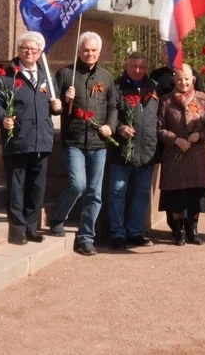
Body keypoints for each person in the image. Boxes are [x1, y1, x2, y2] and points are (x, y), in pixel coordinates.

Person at [0, 31, 62, 245]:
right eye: (25, 48)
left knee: (37, 188)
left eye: (33, 49)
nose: (29, 52)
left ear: (40, 53)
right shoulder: (6, 76)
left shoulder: (47, 76)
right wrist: (3, 119)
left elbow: (54, 105)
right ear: (18, 50)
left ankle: (32, 227)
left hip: (42, 140)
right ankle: (17, 229)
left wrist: (58, 107)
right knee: (17, 187)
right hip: (18, 140)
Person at [48, 32, 118, 256]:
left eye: (94, 50)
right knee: (78, 184)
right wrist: (64, 100)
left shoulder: (106, 77)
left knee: (94, 192)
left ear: (99, 51)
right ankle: (57, 217)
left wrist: (110, 126)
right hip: (74, 140)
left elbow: (113, 106)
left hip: (99, 142)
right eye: (86, 50)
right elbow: (54, 108)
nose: (90, 54)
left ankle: (86, 237)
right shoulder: (65, 74)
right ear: (79, 51)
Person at [157, 63, 205, 245]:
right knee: (177, 193)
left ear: (193, 79)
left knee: (195, 192)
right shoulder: (166, 100)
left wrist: (200, 135)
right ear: (174, 80)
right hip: (174, 154)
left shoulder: (203, 99)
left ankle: (193, 229)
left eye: (186, 78)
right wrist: (175, 139)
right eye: (179, 79)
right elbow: (159, 128)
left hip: (197, 154)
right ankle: (178, 230)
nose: (183, 82)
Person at [107, 51, 161, 250]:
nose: (138, 70)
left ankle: (135, 232)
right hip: (122, 150)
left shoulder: (154, 87)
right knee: (117, 192)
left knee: (141, 193)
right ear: (126, 66)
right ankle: (117, 234)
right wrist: (119, 127)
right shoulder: (116, 86)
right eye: (134, 66)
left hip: (147, 150)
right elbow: (108, 113)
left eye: (142, 67)